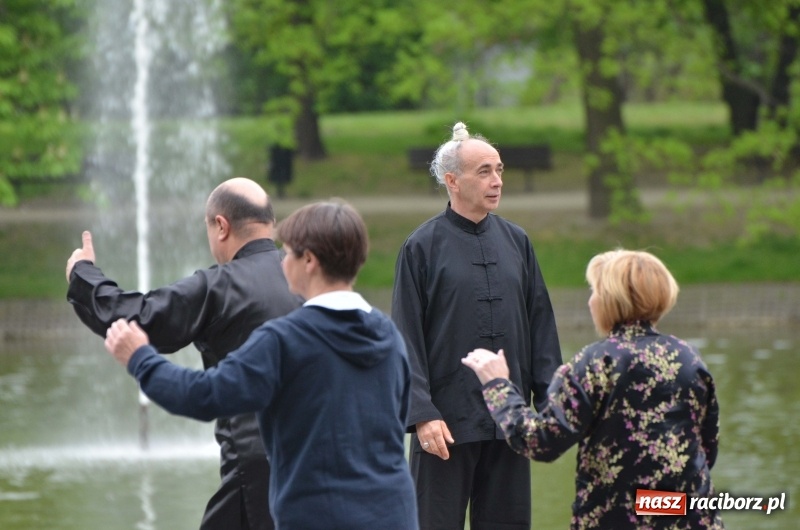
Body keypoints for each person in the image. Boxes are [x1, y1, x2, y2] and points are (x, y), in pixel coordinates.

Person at [101, 201, 419, 529]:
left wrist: (141, 358)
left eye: (288, 253)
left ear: (308, 261)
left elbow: (203, 395)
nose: (281, 264)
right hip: (395, 514)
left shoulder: (285, 340)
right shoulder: (388, 335)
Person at [66, 177, 302, 530]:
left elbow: (138, 318)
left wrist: (82, 275)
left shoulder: (220, 287)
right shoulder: (309, 280)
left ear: (221, 226)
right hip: (316, 460)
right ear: (269, 223)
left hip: (255, 466)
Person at [462, 249, 725, 529]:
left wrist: (498, 385)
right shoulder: (689, 358)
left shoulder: (595, 363)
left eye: (594, 291)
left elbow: (540, 442)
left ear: (611, 300)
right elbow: (708, 448)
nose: (590, 301)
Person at [391, 121, 563, 529]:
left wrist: (552, 405)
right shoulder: (420, 247)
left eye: (499, 170)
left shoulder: (517, 241)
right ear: (452, 180)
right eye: (484, 171)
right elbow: (405, 337)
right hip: (443, 428)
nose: (497, 181)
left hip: (510, 423)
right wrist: (421, 414)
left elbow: (541, 327)